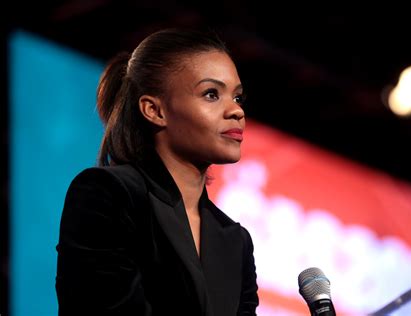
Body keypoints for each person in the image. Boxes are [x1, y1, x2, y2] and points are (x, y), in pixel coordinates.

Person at [55, 28, 259, 315]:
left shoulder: (236, 241)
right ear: (154, 110)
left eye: (237, 97)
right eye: (211, 94)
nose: (236, 111)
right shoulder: (107, 194)